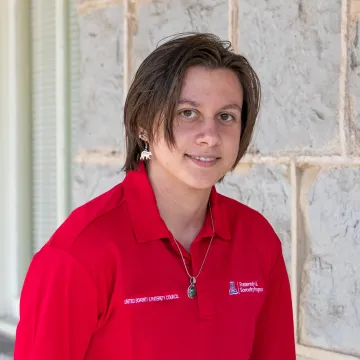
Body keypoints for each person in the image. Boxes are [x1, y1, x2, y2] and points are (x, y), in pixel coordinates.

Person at [14, 33, 296, 359]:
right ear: (143, 125)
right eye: (187, 113)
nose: (210, 136)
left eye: (226, 116)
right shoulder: (81, 252)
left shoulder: (258, 240)